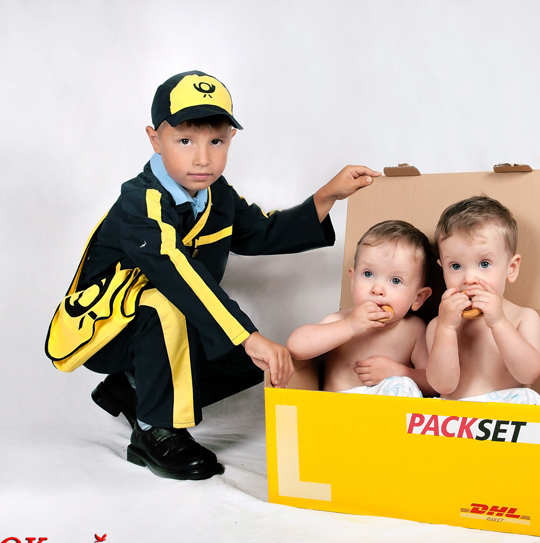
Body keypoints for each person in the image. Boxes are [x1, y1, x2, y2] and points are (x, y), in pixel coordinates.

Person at [44, 70, 381, 480]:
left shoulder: (216, 194)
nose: (202, 158)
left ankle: (132, 389)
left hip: (171, 320)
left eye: (216, 142)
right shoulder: (140, 200)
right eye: (185, 141)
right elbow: (174, 273)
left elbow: (261, 231)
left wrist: (328, 195)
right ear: (155, 139)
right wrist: (248, 334)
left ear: (230, 139)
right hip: (105, 328)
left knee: (252, 361)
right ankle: (155, 430)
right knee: (167, 303)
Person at [287, 220, 434, 396]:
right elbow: (296, 347)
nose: (377, 289)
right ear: (353, 280)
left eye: (396, 280)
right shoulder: (340, 320)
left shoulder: (414, 330)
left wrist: (400, 371)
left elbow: (434, 383)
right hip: (342, 408)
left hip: (390, 410)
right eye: (368, 274)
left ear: (418, 298)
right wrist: (349, 326)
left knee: (402, 384)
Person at [426, 196, 540, 405]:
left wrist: (499, 322)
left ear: (511, 268)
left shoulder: (523, 317)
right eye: (455, 266)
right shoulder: (438, 325)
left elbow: (529, 374)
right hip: (457, 418)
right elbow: (442, 386)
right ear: (442, 268)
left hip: (505, 416)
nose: (469, 278)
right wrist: (446, 329)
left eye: (484, 264)